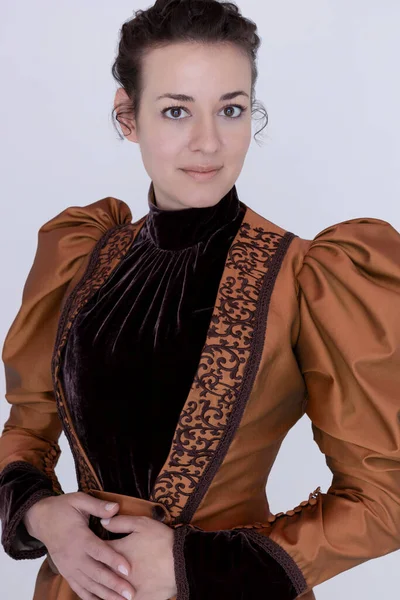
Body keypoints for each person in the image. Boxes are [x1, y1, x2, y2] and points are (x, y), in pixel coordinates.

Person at [1, 0, 400, 599]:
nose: (209, 143)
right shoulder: (81, 256)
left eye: (231, 109)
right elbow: (25, 431)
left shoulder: (310, 278)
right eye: (176, 111)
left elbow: (384, 497)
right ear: (128, 115)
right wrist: (41, 516)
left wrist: (196, 565)